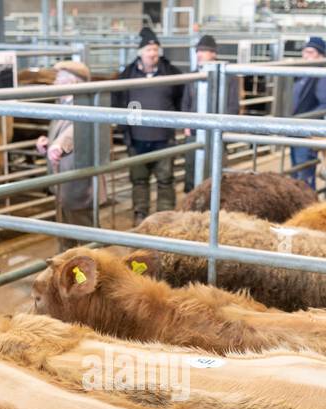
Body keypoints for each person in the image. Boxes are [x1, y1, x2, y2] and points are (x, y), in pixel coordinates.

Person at [111, 31, 185, 226]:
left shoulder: (171, 72)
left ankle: (165, 217)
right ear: (140, 52)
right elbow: (117, 100)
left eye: (155, 49)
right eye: (149, 49)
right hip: (136, 138)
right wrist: (123, 126)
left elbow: (181, 97)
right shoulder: (127, 74)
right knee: (139, 179)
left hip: (164, 137)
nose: (153, 53)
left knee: (165, 179)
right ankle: (140, 213)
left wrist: (178, 121)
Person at [35, 60, 107, 250]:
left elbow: (78, 127)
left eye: (59, 78)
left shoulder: (86, 103)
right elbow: (60, 133)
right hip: (64, 181)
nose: (55, 83)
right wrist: (47, 143)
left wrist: (59, 144)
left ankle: (97, 269)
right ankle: (66, 268)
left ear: (72, 82)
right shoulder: (62, 102)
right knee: (64, 227)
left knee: (85, 230)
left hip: (79, 183)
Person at [180, 34, 241, 192]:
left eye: (204, 51)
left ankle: (215, 199)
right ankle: (191, 199)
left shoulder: (229, 77)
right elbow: (186, 102)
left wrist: (223, 125)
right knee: (191, 167)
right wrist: (186, 123)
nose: (199, 54)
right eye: (198, 51)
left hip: (217, 131)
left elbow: (233, 105)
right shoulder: (194, 74)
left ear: (214, 53)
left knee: (216, 167)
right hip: (194, 130)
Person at [290, 36, 326, 189]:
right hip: (295, 127)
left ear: (321, 55)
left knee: (304, 171)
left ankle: (307, 203)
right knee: (296, 169)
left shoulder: (322, 75)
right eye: (305, 51)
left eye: (311, 52)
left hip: (307, 130)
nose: (306, 55)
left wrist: (304, 120)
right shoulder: (303, 73)